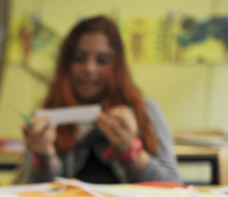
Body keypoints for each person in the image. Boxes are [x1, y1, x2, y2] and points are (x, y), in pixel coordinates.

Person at [22, 15, 180, 184]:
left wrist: (129, 149)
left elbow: (172, 185)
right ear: (66, 64)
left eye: (102, 60)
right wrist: (43, 157)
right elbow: (30, 191)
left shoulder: (144, 110)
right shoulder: (48, 116)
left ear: (117, 65)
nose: (89, 69)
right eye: (79, 58)